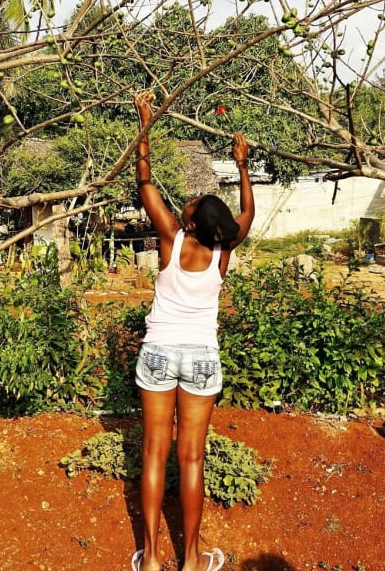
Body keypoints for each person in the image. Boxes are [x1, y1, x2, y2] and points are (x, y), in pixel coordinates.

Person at [130, 92, 254, 571]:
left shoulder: (170, 237)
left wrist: (145, 124)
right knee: (192, 459)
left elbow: (144, 183)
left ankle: (152, 560)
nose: (190, 199)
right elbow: (247, 213)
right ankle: (191, 561)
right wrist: (242, 165)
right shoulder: (223, 250)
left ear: (190, 221)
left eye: (194, 202)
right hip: (201, 357)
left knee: (153, 454)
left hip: (158, 353)